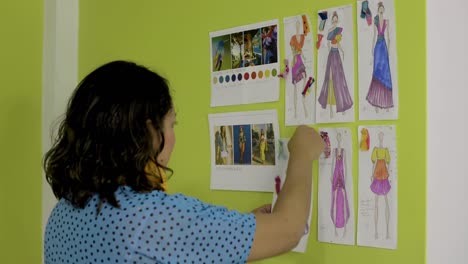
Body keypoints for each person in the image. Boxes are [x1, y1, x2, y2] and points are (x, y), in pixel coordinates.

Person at [43, 60, 324, 263]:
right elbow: (289, 229)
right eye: (171, 125)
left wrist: (236, 230)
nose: (174, 138)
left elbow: (168, 251)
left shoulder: (63, 214)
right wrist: (301, 152)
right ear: (149, 132)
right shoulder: (152, 218)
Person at [317, 11, 353, 118]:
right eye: (334, 19)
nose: (335, 21)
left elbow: (338, 43)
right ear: (332, 20)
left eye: (336, 20)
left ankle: (342, 105)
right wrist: (329, 52)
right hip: (331, 55)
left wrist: (342, 51)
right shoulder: (330, 30)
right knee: (331, 79)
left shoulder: (338, 30)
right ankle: (332, 109)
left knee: (339, 79)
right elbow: (328, 44)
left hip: (336, 55)